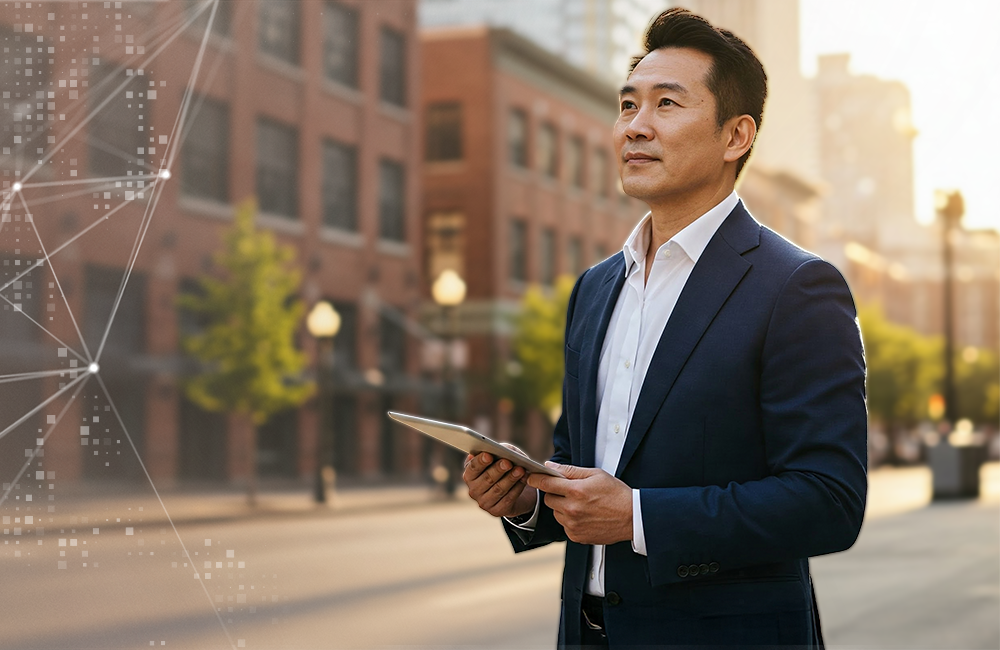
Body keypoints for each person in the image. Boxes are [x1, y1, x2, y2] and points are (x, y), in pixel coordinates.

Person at [462, 7, 867, 649]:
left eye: (666, 105)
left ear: (735, 136)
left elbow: (828, 501)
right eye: (627, 106)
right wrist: (525, 502)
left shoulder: (796, 288)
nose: (635, 127)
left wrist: (638, 516)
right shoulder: (595, 288)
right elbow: (579, 464)